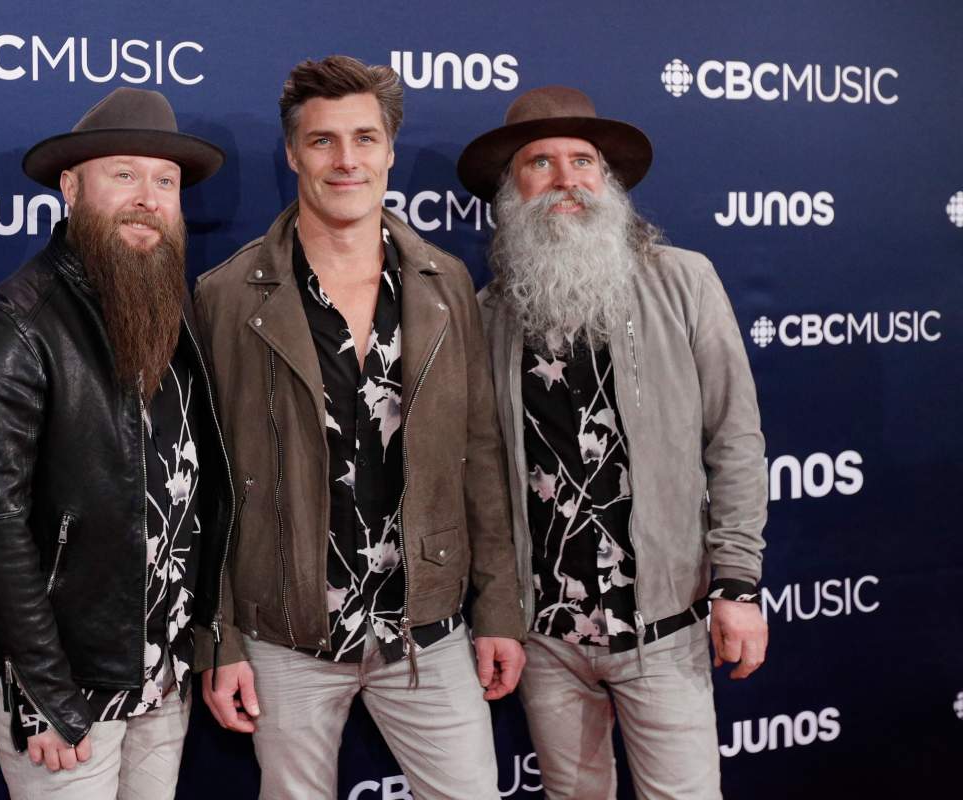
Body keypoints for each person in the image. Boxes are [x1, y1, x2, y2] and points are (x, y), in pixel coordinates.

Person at [194, 56, 526, 799]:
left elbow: (480, 457)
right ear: (291, 153)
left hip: (427, 630)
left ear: (389, 151)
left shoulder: (446, 287)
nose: (347, 161)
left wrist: (499, 608)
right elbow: (204, 485)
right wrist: (218, 638)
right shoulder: (225, 297)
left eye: (365, 139)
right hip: (285, 635)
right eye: (323, 142)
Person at [459, 86, 769, 799]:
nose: (567, 180)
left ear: (608, 180)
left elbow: (735, 438)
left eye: (583, 161)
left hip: (664, 629)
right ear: (511, 191)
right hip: (547, 642)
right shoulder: (485, 317)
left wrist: (738, 585)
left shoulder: (684, 281)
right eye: (541, 162)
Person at [0, 86, 232, 799]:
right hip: (66, 694)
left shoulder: (172, 310)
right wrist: (45, 692)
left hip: (161, 680)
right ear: (71, 188)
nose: (148, 196)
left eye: (164, 181)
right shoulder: (16, 327)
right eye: (124, 174)